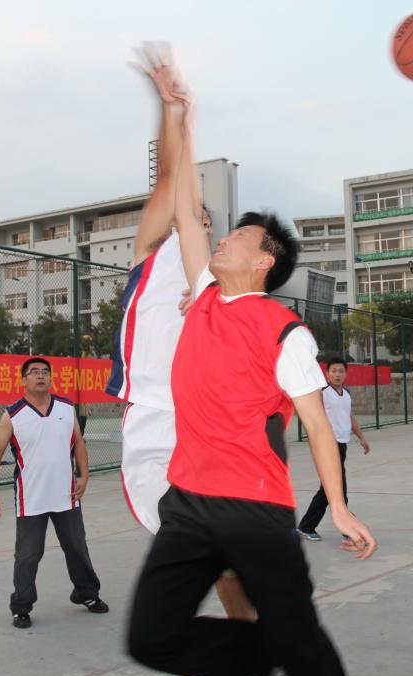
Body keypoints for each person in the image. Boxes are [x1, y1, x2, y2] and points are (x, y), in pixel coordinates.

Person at [126, 62, 377, 676]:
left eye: (240, 235)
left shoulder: (284, 330)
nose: (224, 237)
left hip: (253, 504)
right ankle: (265, 656)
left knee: (306, 652)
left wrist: (339, 506)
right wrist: (180, 115)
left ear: (265, 261)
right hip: (188, 499)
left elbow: (316, 423)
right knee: (151, 640)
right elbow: (186, 207)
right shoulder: (204, 297)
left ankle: (287, 651)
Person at [107, 46, 254, 621]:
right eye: (195, 216)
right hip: (150, 412)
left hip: (205, 418)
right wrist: (173, 112)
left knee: (215, 547)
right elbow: (171, 180)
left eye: (210, 222)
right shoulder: (153, 251)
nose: (200, 222)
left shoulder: (223, 284)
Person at [0, 357, 108, 629]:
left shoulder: (66, 408)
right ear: (24, 379)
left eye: (45, 372)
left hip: (66, 495)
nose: (40, 376)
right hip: (31, 498)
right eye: (34, 372)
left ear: (51, 378)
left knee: (77, 547)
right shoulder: (13, 415)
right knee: (28, 555)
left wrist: (84, 475)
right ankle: (21, 607)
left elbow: (78, 442)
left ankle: (86, 593)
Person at [297, 358, 371, 542]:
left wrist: (361, 438)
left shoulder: (346, 394)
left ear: (346, 374)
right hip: (328, 445)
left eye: (341, 371)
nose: (337, 374)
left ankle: (306, 527)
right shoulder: (323, 393)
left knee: (328, 490)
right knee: (338, 488)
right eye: (334, 371)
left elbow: (349, 417)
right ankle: (348, 530)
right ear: (327, 374)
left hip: (342, 444)